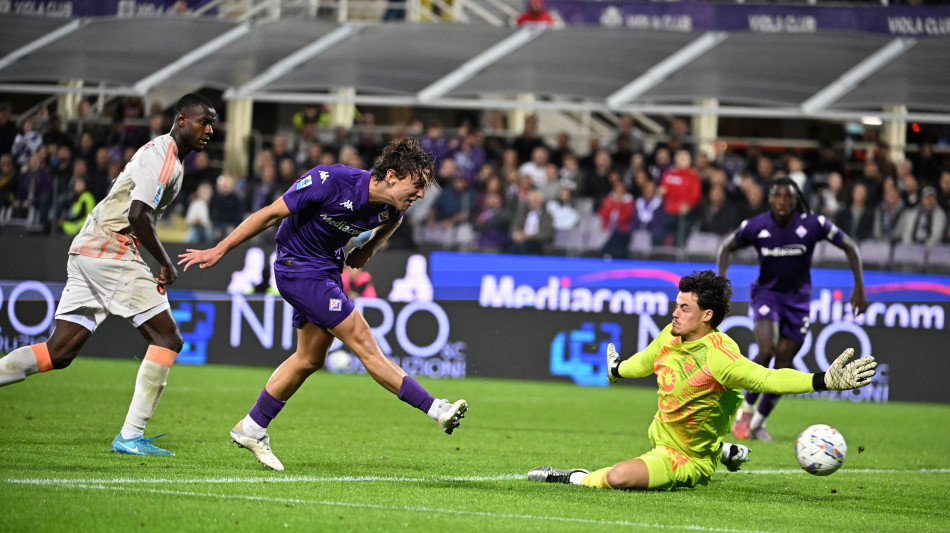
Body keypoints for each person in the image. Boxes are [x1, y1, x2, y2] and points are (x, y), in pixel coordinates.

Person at [177, 137, 467, 471]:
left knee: (310, 358)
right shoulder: (330, 181)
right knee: (364, 343)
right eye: (415, 186)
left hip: (327, 271)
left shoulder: (392, 206)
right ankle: (436, 408)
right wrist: (219, 249)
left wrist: (368, 249)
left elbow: (393, 217)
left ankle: (252, 428)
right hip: (296, 268)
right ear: (390, 176)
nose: (420, 195)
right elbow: (271, 214)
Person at [0, 93, 217, 456]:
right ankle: (130, 436)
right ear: (181, 120)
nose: (209, 129)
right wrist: (164, 263)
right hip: (109, 249)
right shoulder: (162, 156)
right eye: (203, 121)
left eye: (212, 124)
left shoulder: (170, 159)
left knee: (59, 352)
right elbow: (137, 217)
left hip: (91, 246)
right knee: (168, 339)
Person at [528, 270, 878, 490]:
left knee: (618, 478)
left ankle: (571, 476)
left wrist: (822, 380)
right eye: (676, 305)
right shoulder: (670, 335)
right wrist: (616, 370)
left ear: (706, 315)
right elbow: (645, 362)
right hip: (667, 436)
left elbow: (769, 378)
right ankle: (721, 448)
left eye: (684, 308)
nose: (674, 312)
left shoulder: (720, 358)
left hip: (684, 458)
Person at [717, 178, 868, 442]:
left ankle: (758, 424)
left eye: (788, 197)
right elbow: (725, 248)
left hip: (798, 301)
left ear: (796, 200)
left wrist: (859, 288)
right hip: (767, 294)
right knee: (766, 349)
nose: (782, 202)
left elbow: (850, 247)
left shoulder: (813, 224)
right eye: (777, 197)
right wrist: (720, 281)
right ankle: (747, 411)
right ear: (770, 199)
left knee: (784, 363)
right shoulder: (757, 225)